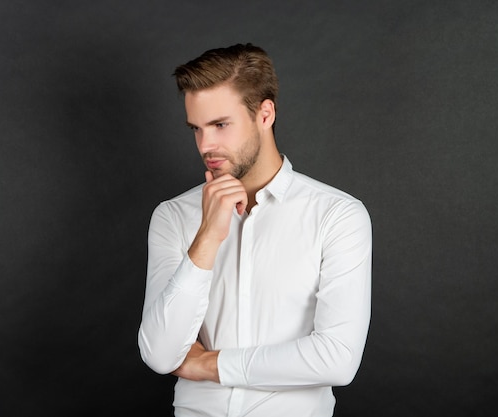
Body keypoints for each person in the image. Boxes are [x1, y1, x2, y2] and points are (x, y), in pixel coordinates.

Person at [137, 43, 372, 417]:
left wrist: (208, 364)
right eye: (196, 129)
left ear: (265, 114)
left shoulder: (337, 215)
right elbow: (160, 354)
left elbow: (337, 358)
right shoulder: (173, 216)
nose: (205, 146)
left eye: (220, 125)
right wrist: (208, 237)